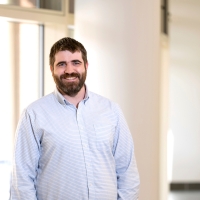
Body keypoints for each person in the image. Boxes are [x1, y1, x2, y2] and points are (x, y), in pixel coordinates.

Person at [10, 37, 140, 200]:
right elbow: (21, 179)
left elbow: (128, 172)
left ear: (86, 66)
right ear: (51, 69)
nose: (69, 70)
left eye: (76, 62)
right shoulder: (34, 114)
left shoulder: (111, 110)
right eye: (61, 64)